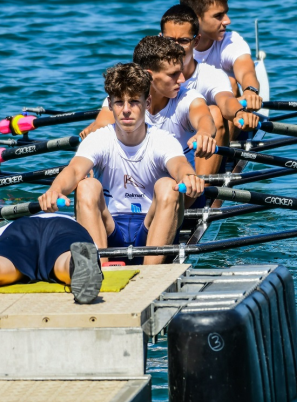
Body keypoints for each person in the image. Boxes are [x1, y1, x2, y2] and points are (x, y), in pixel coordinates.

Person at [40, 62, 205, 265]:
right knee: (86, 185)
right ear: (110, 104)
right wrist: (55, 190)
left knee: (168, 186)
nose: (126, 110)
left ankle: (150, 276)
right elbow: (74, 170)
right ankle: (98, 270)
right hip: (110, 229)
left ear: (147, 102)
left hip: (151, 227)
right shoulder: (99, 139)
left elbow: (179, 165)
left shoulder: (163, 139)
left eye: (134, 102)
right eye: (119, 102)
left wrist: (188, 177)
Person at [81, 35, 218, 170]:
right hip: (138, 182)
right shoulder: (123, 100)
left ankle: (203, 187)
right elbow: (102, 125)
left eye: (181, 72)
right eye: (173, 74)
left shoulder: (187, 96)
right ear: (149, 75)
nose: (182, 80)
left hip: (181, 182)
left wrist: (204, 133)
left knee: (215, 112)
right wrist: (93, 132)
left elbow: (203, 116)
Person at [158, 3, 259, 176]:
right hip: (161, 154)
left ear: (195, 41)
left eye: (183, 41)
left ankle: (204, 192)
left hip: (198, 150)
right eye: (169, 41)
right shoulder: (147, 74)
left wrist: (239, 114)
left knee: (215, 113)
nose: (174, 47)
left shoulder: (212, 75)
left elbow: (226, 100)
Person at [0, 213, 103, 306]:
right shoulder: (4, 226)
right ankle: (75, 262)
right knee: (63, 260)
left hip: (18, 233)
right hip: (66, 225)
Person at [179, 0, 263, 113]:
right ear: (195, 18)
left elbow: (246, 70)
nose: (227, 21)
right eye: (219, 16)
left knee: (230, 83)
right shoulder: (173, 46)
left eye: (226, 13)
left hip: (227, 116)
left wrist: (250, 90)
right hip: (189, 115)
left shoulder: (230, 41)